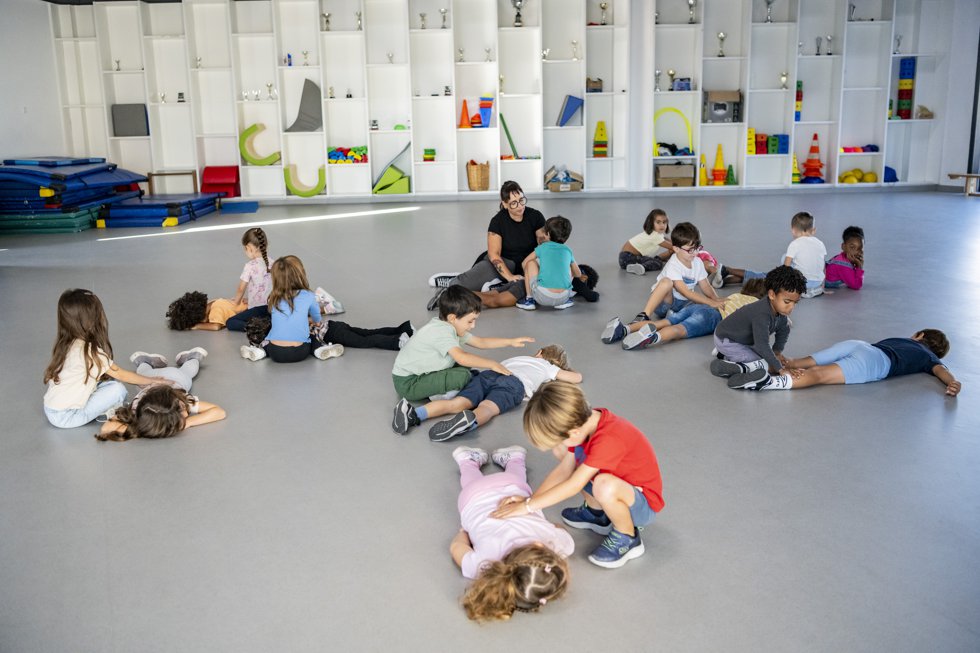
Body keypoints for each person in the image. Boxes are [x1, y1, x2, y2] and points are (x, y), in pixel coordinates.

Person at [491, 381, 664, 569]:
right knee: (564, 453)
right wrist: (531, 500)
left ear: (573, 433)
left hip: (641, 505)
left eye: (562, 438)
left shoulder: (609, 438)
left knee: (603, 484)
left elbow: (573, 485)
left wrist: (528, 507)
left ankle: (628, 537)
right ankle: (597, 514)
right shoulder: (583, 421)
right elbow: (564, 470)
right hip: (619, 486)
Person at [449, 445, 572, 622]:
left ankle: (515, 458)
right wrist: (464, 534)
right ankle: (467, 461)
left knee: (517, 483)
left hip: (515, 489)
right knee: (471, 484)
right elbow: (456, 547)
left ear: (540, 547)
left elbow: (559, 528)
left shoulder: (558, 543)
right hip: (473, 496)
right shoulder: (484, 566)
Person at [391, 344, 582, 441]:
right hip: (514, 385)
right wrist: (561, 371)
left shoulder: (521, 358)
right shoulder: (548, 368)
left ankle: (414, 414)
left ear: (539, 352)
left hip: (492, 373)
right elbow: (576, 378)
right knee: (487, 408)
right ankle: (469, 421)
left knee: (456, 403)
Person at [43, 289, 168, 429]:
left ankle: (105, 408)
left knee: (108, 381)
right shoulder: (90, 351)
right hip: (68, 417)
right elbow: (121, 374)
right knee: (118, 389)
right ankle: (113, 410)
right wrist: (153, 381)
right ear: (89, 320)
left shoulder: (66, 343)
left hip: (51, 409)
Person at [392, 286, 534, 402]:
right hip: (409, 383)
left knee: (466, 367)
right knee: (463, 376)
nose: (473, 326)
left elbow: (481, 342)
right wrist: (492, 364)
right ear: (452, 318)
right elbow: (461, 357)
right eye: (470, 321)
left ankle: (448, 385)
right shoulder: (441, 332)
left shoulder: (451, 325)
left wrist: (510, 341)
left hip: (422, 373)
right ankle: (440, 396)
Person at [426, 180, 546, 310]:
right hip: (504, 263)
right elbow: (494, 255)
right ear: (505, 204)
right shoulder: (497, 222)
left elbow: (544, 245)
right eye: (513, 203)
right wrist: (510, 277)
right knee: (457, 285)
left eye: (521, 200)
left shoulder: (535, 216)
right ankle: (454, 278)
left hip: (527, 264)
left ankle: (497, 285)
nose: (520, 206)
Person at [727, 329, 961, 394]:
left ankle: (747, 366)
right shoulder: (928, 356)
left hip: (860, 345)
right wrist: (952, 382)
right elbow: (940, 370)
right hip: (876, 363)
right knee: (819, 375)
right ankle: (765, 382)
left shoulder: (905, 340)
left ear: (919, 335)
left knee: (799, 362)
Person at [601, 222, 724, 344]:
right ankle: (644, 315)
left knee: (701, 307)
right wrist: (711, 302)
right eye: (690, 250)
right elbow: (685, 292)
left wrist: (716, 300)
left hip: (684, 304)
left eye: (697, 248)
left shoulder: (697, 262)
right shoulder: (673, 264)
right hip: (665, 303)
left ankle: (625, 329)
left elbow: (706, 286)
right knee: (666, 282)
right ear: (676, 249)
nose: (695, 253)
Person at [95, 348, 226, 440]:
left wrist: (187, 422)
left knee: (185, 372)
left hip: (164, 378)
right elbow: (219, 412)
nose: (185, 413)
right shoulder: (140, 410)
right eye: (182, 412)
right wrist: (187, 422)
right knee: (185, 372)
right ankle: (190, 358)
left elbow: (219, 412)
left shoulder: (179, 400)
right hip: (160, 379)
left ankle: (191, 358)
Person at [709, 266, 807, 388]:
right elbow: (762, 345)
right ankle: (736, 372)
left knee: (768, 358)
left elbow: (783, 331)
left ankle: (725, 356)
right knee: (762, 363)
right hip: (728, 340)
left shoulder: (780, 313)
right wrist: (780, 369)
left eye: (795, 302)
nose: (791, 307)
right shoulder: (762, 314)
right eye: (787, 302)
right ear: (772, 294)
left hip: (744, 340)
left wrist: (777, 352)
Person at [239, 255, 345, 363]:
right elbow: (316, 316)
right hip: (300, 352)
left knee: (269, 338)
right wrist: (316, 322)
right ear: (300, 274)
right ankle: (320, 349)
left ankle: (259, 352)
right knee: (312, 336)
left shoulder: (273, 298)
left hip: (275, 352)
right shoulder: (308, 295)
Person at [621, 278, 766, 350]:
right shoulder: (756, 305)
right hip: (712, 317)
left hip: (699, 307)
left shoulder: (735, 296)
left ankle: (626, 328)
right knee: (679, 329)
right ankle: (653, 338)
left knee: (665, 322)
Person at [713, 212, 827, 297]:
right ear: (813, 230)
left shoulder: (795, 244)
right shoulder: (820, 243)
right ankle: (725, 281)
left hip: (798, 284)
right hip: (816, 284)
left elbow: (786, 267)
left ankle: (727, 270)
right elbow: (823, 267)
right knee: (766, 277)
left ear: (793, 230)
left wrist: (778, 280)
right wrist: (823, 286)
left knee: (766, 275)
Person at [516, 216, 584, 310]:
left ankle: (529, 300)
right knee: (570, 266)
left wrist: (530, 277)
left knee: (530, 263)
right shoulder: (567, 250)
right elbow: (578, 274)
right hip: (563, 297)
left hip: (542, 297)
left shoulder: (542, 247)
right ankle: (565, 301)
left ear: (547, 234)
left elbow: (524, 263)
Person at [226, 228, 273, 332]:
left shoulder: (250, 266)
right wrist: (250, 299)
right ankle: (270, 323)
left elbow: (241, 288)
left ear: (249, 248)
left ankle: (258, 327)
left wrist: (236, 303)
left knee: (230, 322)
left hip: (257, 309)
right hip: (272, 308)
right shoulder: (273, 263)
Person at [619, 208, 672, 275]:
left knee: (655, 259)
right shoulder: (655, 236)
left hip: (626, 257)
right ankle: (640, 267)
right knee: (658, 263)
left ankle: (639, 264)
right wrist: (680, 245)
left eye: (664, 222)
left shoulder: (657, 234)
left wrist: (674, 243)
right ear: (651, 223)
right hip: (628, 258)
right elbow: (673, 247)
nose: (662, 225)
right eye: (658, 222)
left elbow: (666, 240)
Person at [166, 291, 246, 331]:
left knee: (231, 324)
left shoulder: (215, 310)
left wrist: (197, 326)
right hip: (247, 305)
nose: (204, 322)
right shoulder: (212, 302)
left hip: (248, 311)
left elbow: (216, 327)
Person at [824, 225, 865, 290]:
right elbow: (856, 285)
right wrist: (859, 267)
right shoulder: (843, 265)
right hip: (821, 279)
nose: (856, 251)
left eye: (860, 248)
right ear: (843, 246)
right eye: (852, 247)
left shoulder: (843, 257)